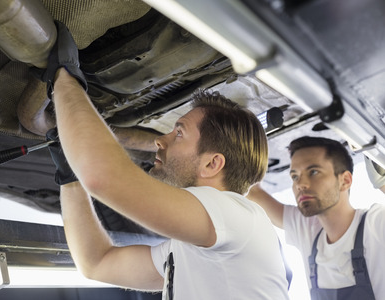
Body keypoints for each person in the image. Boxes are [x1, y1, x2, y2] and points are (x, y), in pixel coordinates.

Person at [37, 21, 290, 299]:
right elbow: (97, 261)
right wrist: (71, 180)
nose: (160, 140)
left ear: (212, 164)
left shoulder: (238, 215)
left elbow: (103, 180)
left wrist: (65, 79)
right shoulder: (197, 243)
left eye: (178, 133)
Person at [247, 136, 385, 300]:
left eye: (313, 172)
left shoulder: (376, 225)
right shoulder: (308, 229)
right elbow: (252, 191)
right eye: (295, 176)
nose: (300, 184)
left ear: (345, 181)